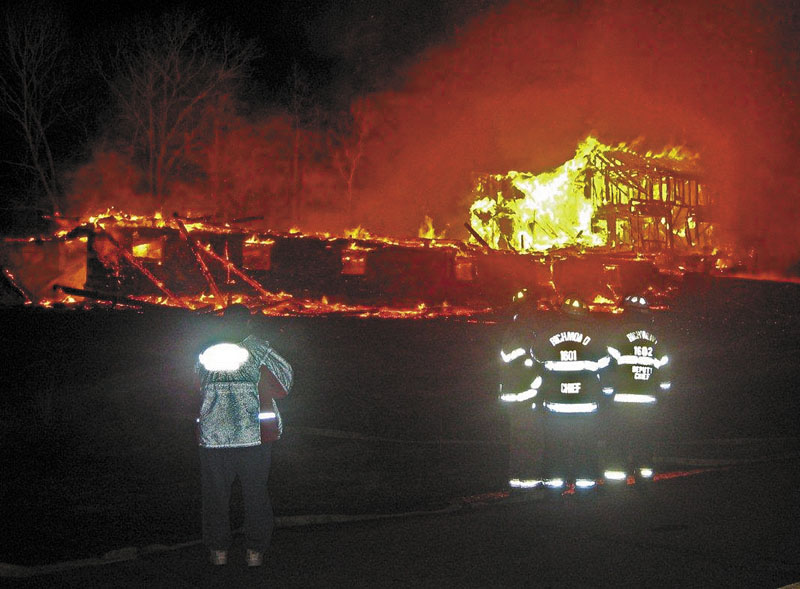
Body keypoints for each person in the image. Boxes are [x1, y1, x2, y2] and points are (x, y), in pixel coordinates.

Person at [195, 304, 293, 567]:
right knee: (256, 494)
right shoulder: (260, 350)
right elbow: (284, 385)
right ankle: (255, 552)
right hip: (254, 437)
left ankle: (218, 551)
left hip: (213, 437)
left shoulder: (205, 350)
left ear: (223, 322)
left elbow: (189, 386)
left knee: (215, 496)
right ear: (248, 323)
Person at [534, 296, 609, 489]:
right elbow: (605, 365)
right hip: (586, 408)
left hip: (556, 407)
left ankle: (553, 490)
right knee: (585, 448)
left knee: (555, 449)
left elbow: (535, 355)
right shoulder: (595, 337)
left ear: (562, 313)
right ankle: (585, 489)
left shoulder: (548, 335)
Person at [600, 294, 670, 484]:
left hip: (621, 402)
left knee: (618, 439)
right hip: (648, 402)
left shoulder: (618, 336)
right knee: (644, 440)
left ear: (627, 313)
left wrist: (607, 393)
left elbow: (607, 366)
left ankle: (616, 480)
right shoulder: (655, 340)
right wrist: (661, 395)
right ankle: (644, 476)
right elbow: (665, 374)